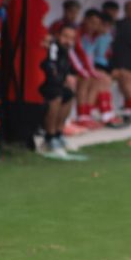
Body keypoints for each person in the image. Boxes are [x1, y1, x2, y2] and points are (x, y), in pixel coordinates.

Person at [39, 23, 83, 160]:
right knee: (56, 94)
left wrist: (67, 78)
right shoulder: (52, 46)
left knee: (68, 94)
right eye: (65, 37)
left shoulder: (66, 51)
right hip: (43, 84)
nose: (68, 41)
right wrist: (61, 79)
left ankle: (58, 134)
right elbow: (50, 68)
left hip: (56, 84)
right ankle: (49, 138)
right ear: (57, 35)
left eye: (71, 38)